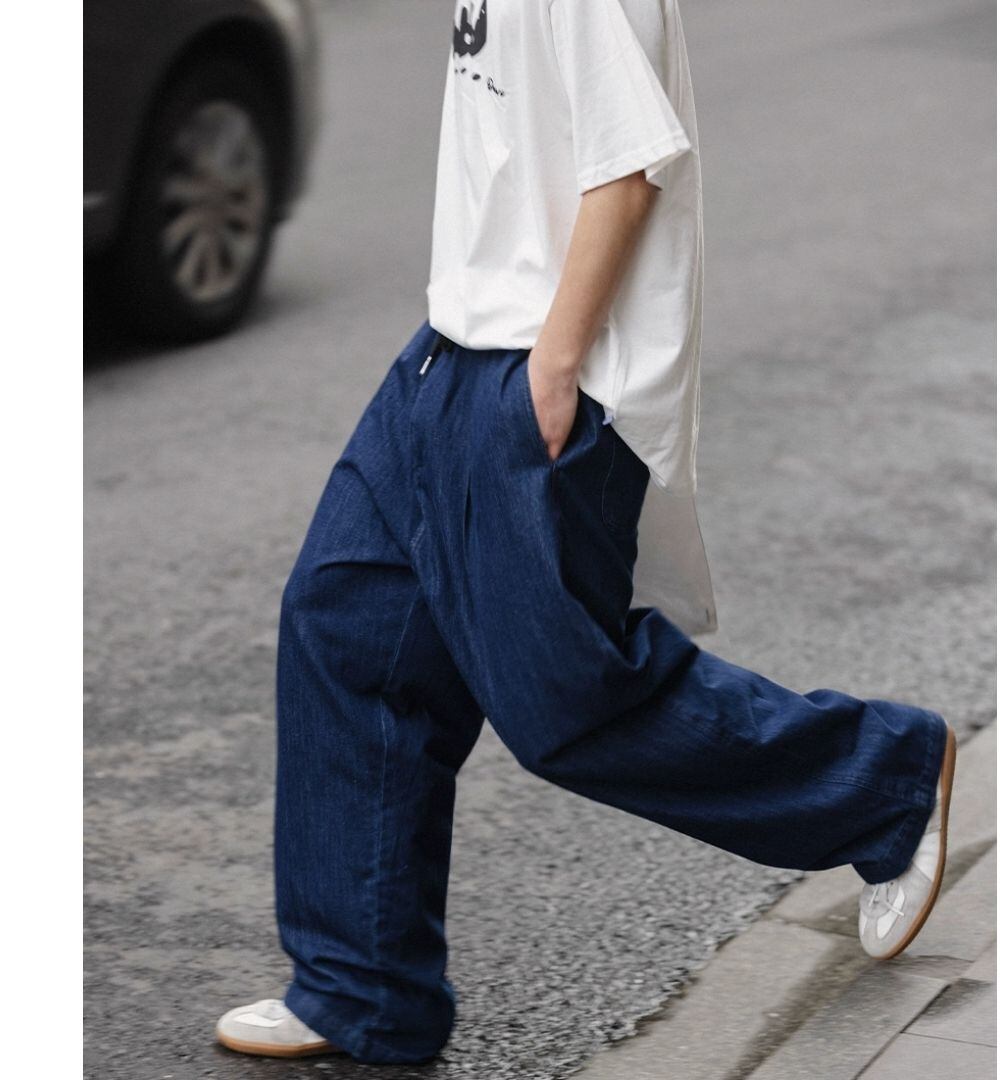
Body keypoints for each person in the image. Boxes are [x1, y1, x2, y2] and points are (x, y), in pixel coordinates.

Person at [215, 0, 956, 1064]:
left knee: (568, 698)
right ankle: (359, 992)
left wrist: (552, 369)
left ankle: (884, 782)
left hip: (529, 373)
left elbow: (630, 162)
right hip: (446, 354)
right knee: (347, 632)